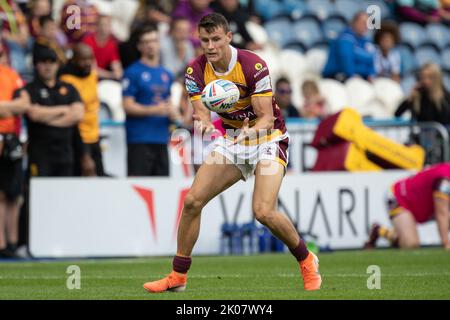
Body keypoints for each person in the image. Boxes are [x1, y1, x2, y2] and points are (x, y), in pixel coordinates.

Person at [143, 13, 321, 293]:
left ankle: (306, 260)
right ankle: (178, 277)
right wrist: (202, 124)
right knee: (192, 201)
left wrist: (252, 132)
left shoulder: (253, 64)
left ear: (228, 37)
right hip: (233, 140)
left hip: (268, 139)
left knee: (263, 211)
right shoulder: (195, 71)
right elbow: (200, 114)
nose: (210, 46)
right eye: (204, 40)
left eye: (216, 39)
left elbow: (266, 119)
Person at [122, 25, 177, 177]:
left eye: (153, 41)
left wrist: (173, 113)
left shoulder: (166, 73)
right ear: (140, 46)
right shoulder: (132, 72)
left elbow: (168, 101)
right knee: (139, 188)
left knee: (161, 190)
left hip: (161, 138)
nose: (150, 45)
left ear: (159, 43)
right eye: (146, 42)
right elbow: (127, 105)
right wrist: (154, 110)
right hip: (139, 139)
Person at [21, 47, 85, 177]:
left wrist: (46, 118)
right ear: (36, 65)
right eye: (43, 62)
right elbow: (34, 114)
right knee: (39, 193)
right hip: (40, 154)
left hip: (65, 153)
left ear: (57, 65)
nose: (48, 66)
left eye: (52, 62)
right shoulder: (30, 89)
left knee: (64, 194)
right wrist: (64, 109)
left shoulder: (69, 88)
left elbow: (78, 114)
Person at [365, 163, 450, 250]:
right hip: (399, 197)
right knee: (410, 244)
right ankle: (379, 230)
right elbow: (441, 214)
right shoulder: (444, 182)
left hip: (418, 203)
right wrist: (446, 244)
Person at [0, 41, 29, 258]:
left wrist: (4, 108)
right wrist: (10, 108)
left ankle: (12, 243)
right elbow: (16, 106)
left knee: (13, 194)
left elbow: (23, 104)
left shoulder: (11, 74)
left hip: (10, 139)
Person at [60, 44, 104, 176]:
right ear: (74, 60)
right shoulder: (66, 81)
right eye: (83, 59)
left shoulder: (93, 76)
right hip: (77, 139)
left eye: (90, 59)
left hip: (94, 136)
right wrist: (84, 154)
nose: (87, 63)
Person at [322, 12, 376, 82]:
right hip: (336, 78)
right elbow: (346, 61)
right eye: (363, 23)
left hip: (359, 78)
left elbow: (371, 61)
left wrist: (371, 74)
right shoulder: (345, 38)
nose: (365, 26)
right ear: (354, 23)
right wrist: (352, 75)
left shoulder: (366, 42)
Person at [83, 14, 123, 81]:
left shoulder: (112, 45)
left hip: (100, 79)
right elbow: (92, 69)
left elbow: (117, 68)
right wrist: (112, 75)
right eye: (102, 24)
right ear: (97, 26)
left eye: (107, 25)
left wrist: (117, 73)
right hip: (85, 77)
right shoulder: (88, 41)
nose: (104, 28)